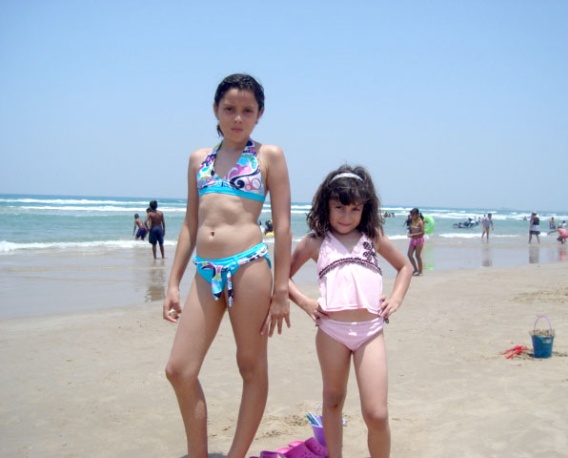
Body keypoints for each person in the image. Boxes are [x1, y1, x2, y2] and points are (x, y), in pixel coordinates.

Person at [162, 73, 291, 458]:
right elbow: (190, 222)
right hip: (204, 269)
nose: (238, 117)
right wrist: (173, 282)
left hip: (249, 267)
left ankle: (236, 455)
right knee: (179, 369)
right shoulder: (198, 159)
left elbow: (283, 225)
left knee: (250, 366)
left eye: (247, 110)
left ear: (259, 114)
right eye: (229, 109)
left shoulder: (269, 156)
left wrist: (281, 289)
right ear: (216, 111)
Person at [288, 165, 412, 458]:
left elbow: (404, 267)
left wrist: (395, 298)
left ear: (365, 210)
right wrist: (306, 303)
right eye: (339, 208)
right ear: (326, 206)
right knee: (332, 401)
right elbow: (281, 278)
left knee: (377, 413)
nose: (346, 216)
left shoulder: (373, 236)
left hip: (370, 332)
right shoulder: (315, 241)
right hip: (331, 332)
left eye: (355, 209)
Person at [406, 208, 425, 276]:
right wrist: (409, 232)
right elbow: (410, 228)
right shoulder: (412, 220)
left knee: (417, 255)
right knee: (409, 254)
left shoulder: (420, 222)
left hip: (419, 240)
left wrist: (413, 234)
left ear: (417, 215)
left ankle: (420, 271)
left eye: (413, 215)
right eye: (411, 215)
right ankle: (415, 269)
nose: (412, 216)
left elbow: (423, 233)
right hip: (413, 240)